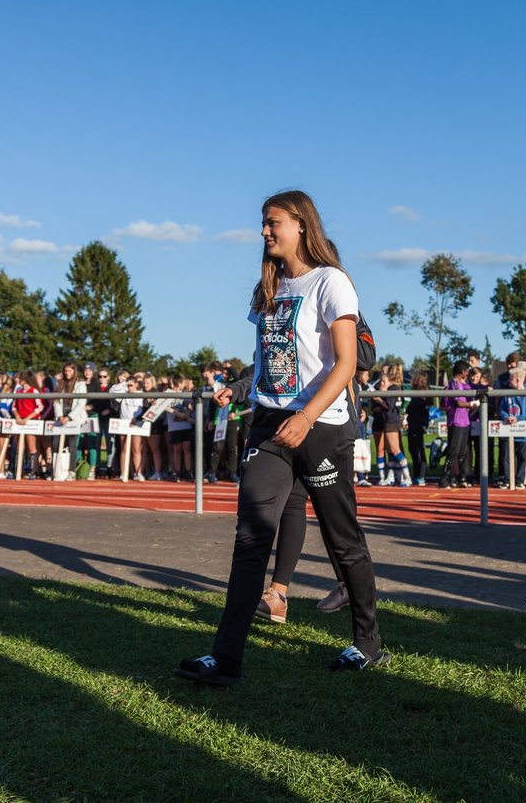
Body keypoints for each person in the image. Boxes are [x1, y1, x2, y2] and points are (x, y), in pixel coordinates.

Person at [175, 190, 386, 686]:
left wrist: (308, 417)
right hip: (270, 424)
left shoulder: (331, 283)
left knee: (343, 538)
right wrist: (246, 388)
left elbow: (347, 363)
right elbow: (273, 360)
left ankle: (367, 642)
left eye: (273, 223)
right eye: (263, 224)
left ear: (301, 225)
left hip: (322, 426)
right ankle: (226, 659)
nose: (265, 231)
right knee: (250, 537)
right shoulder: (266, 289)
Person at [496, 366, 526, 488]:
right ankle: (507, 479)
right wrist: (506, 417)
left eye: (511, 379)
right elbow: (502, 409)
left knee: (523, 457)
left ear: (519, 380)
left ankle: (520, 480)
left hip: (524, 433)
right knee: (507, 455)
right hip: (509, 431)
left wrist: (518, 418)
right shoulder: (507, 394)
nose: (509, 382)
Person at [371, 364, 410, 486]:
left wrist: (379, 399)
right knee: (390, 451)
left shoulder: (392, 389)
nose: (381, 383)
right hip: (388, 421)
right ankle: (392, 477)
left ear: (390, 380)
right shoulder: (392, 388)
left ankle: (407, 477)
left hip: (392, 422)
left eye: (384, 381)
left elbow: (389, 406)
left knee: (395, 449)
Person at [440, 360, 474, 488]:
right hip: (456, 421)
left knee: (464, 451)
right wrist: (471, 404)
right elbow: (458, 403)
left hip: (465, 421)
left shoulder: (465, 385)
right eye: (467, 370)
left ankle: (462, 477)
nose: (468, 373)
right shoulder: (453, 384)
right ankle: (444, 477)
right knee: (453, 451)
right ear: (463, 371)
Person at [405, 370, 431, 486]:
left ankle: (421, 475)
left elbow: (411, 409)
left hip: (418, 425)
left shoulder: (422, 395)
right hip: (414, 424)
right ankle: (417, 474)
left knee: (418, 450)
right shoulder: (417, 394)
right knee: (413, 449)